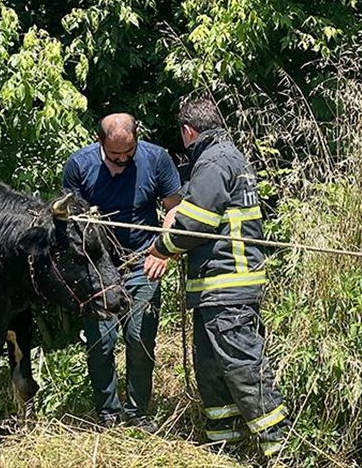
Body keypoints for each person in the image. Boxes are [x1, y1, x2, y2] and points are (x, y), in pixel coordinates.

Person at [143, 97, 289, 460]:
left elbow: (196, 225)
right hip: (216, 288)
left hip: (229, 286)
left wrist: (162, 247)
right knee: (212, 370)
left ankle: (282, 450)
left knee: (242, 367)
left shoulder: (213, 161)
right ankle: (225, 448)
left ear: (188, 131)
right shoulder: (227, 157)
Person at [63, 113, 181, 430]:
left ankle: (138, 412)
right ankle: (108, 414)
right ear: (100, 142)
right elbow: (71, 223)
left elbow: (174, 208)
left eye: (128, 152)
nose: (123, 159)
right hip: (98, 269)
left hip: (144, 262)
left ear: (136, 140)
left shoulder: (157, 159)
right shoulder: (78, 165)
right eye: (115, 155)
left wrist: (164, 249)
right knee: (101, 342)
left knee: (140, 338)